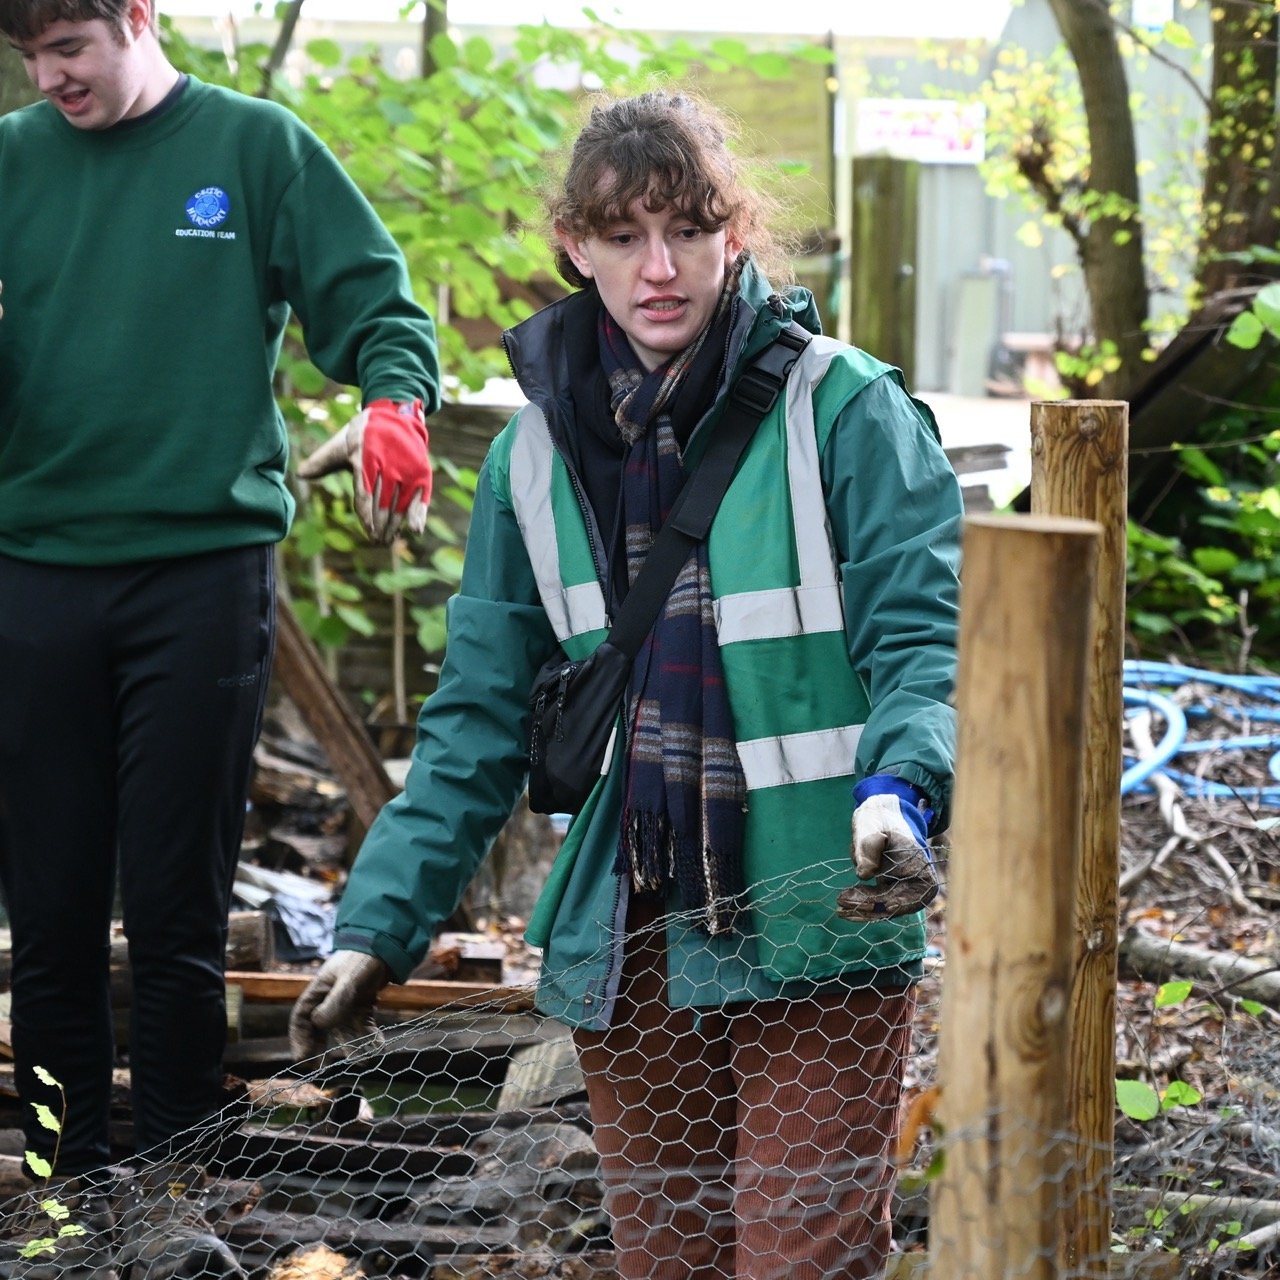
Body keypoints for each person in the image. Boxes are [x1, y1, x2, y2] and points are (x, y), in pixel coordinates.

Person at [290, 90, 961, 1280]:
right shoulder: (533, 455)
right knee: (666, 1259)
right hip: (634, 923)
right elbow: (479, 715)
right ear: (574, 245)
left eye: (687, 230)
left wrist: (897, 790)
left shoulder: (845, 409)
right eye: (621, 236)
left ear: (733, 233)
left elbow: (925, 636)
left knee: (798, 1256)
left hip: (821, 908)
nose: (659, 268)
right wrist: (376, 927)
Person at [0, 0, 438, 1273]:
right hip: (33, 573)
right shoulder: (15, 158)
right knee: (55, 907)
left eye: (69, 46)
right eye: (31, 55)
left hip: (199, 572)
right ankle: (63, 1186)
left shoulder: (255, 148)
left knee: (178, 904)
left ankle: (177, 1187)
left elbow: (376, 301)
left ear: (139, 17)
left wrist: (394, 398)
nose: (49, 75)